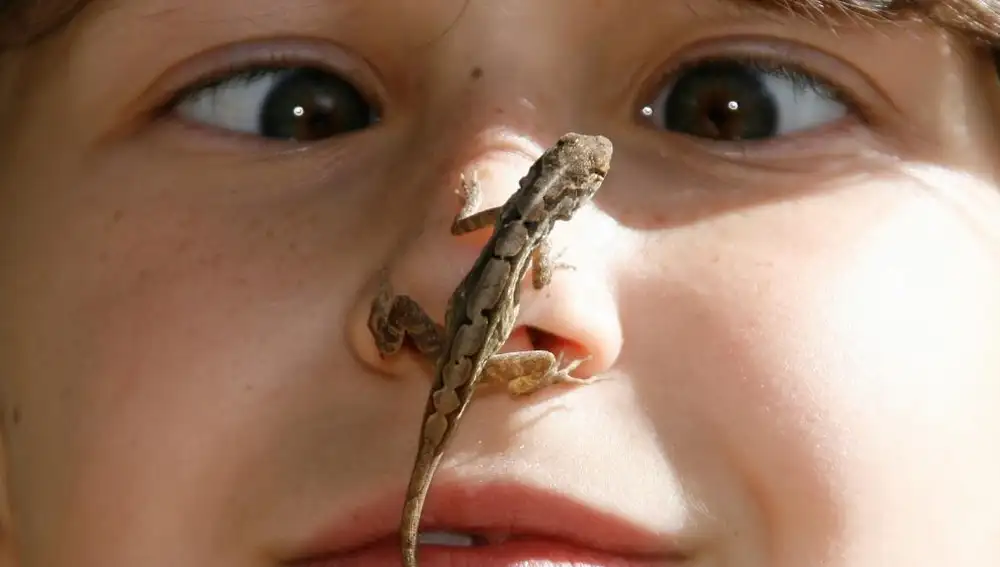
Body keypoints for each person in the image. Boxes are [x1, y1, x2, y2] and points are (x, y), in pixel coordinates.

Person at [2, 0, 999, 565]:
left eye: (732, 109)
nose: (557, 314)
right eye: (287, 105)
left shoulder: (525, 235)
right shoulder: (518, 223)